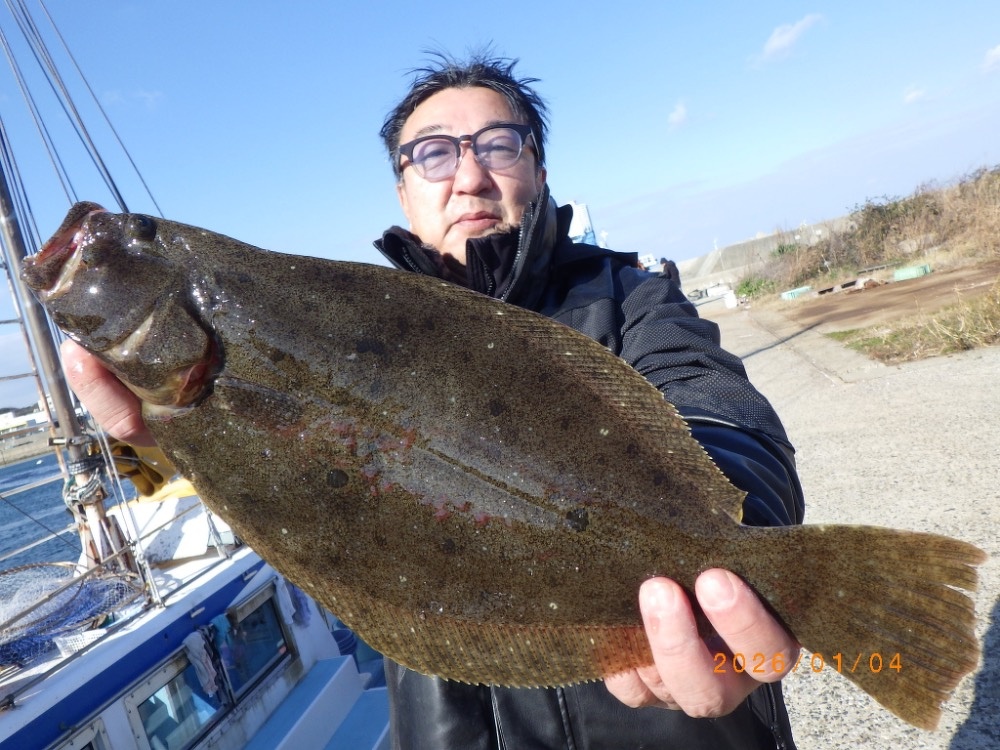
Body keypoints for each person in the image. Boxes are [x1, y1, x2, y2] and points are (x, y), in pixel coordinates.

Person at [62, 52, 804, 749]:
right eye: (435, 153)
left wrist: (737, 554)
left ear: (539, 170)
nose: (470, 176)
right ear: (404, 190)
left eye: (500, 145)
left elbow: (721, 413)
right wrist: (185, 447)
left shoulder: (631, 297)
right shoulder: (341, 333)